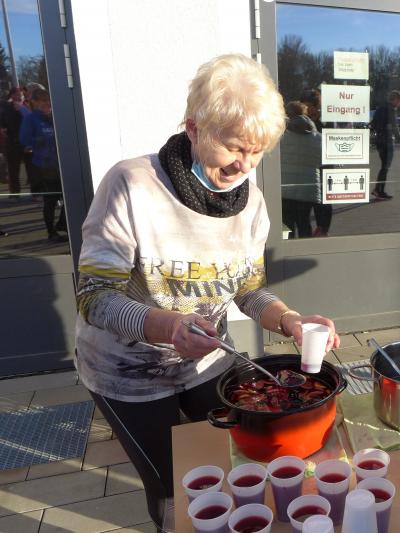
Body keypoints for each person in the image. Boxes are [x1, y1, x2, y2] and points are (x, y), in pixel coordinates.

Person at [75, 54, 341, 532]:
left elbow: (249, 290)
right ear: (194, 128)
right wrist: (169, 326)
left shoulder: (251, 203)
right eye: (234, 147)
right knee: (174, 488)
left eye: (257, 152)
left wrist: (290, 320)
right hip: (128, 373)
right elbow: (94, 296)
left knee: (230, 468)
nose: (244, 165)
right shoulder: (132, 185)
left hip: (208, 361)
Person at [20, 88, 67, 242]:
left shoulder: (55, 117)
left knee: (68, 195)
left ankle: (62, 223)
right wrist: (37, 141)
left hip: (60, 164)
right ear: (34, 102)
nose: (47, 103)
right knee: (51, 199)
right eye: (42, 100)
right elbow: (24, 140)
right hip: (44, 165)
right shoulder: (31, 119)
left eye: (48, 100)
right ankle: (51, 232)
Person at [281, 100, 322, 238]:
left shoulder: (281, 135)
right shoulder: (317, 137)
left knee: (286, 225)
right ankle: (305, 247)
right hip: (308, 186)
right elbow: (322, 161)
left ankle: (287, 249)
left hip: (285, 187)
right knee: (304, 222)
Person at [299, 88, 332, 236]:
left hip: (323, 168)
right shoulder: (299, 122)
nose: (308, 110)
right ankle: (306, 235)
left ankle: (322, 231)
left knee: (323, 203)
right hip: (304, 170)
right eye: (305, 106)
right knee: (303, 208)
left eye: (311, 106)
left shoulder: (326, 121)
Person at [370, 89, 400, 200]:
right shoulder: (391, 109)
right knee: (385, 167)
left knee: (384, 167)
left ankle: (378, 189)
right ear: (395, 99)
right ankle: (378, 191)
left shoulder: (380, 109)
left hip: (380, 141)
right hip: (387, 141)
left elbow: (373, 124)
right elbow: (394, 127)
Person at [0, 87, 29, 199]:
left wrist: (23, 109)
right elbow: (2, 123)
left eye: (21, 94)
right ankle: (15, 193)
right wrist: (2, 129)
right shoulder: (6, 108)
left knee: (32, 168)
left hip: (28, 142)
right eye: (17, 94)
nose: (20, 96)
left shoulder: (27, 105)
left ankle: (37, 192)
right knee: (13, 169)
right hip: (12, 142)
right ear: (12, 96)